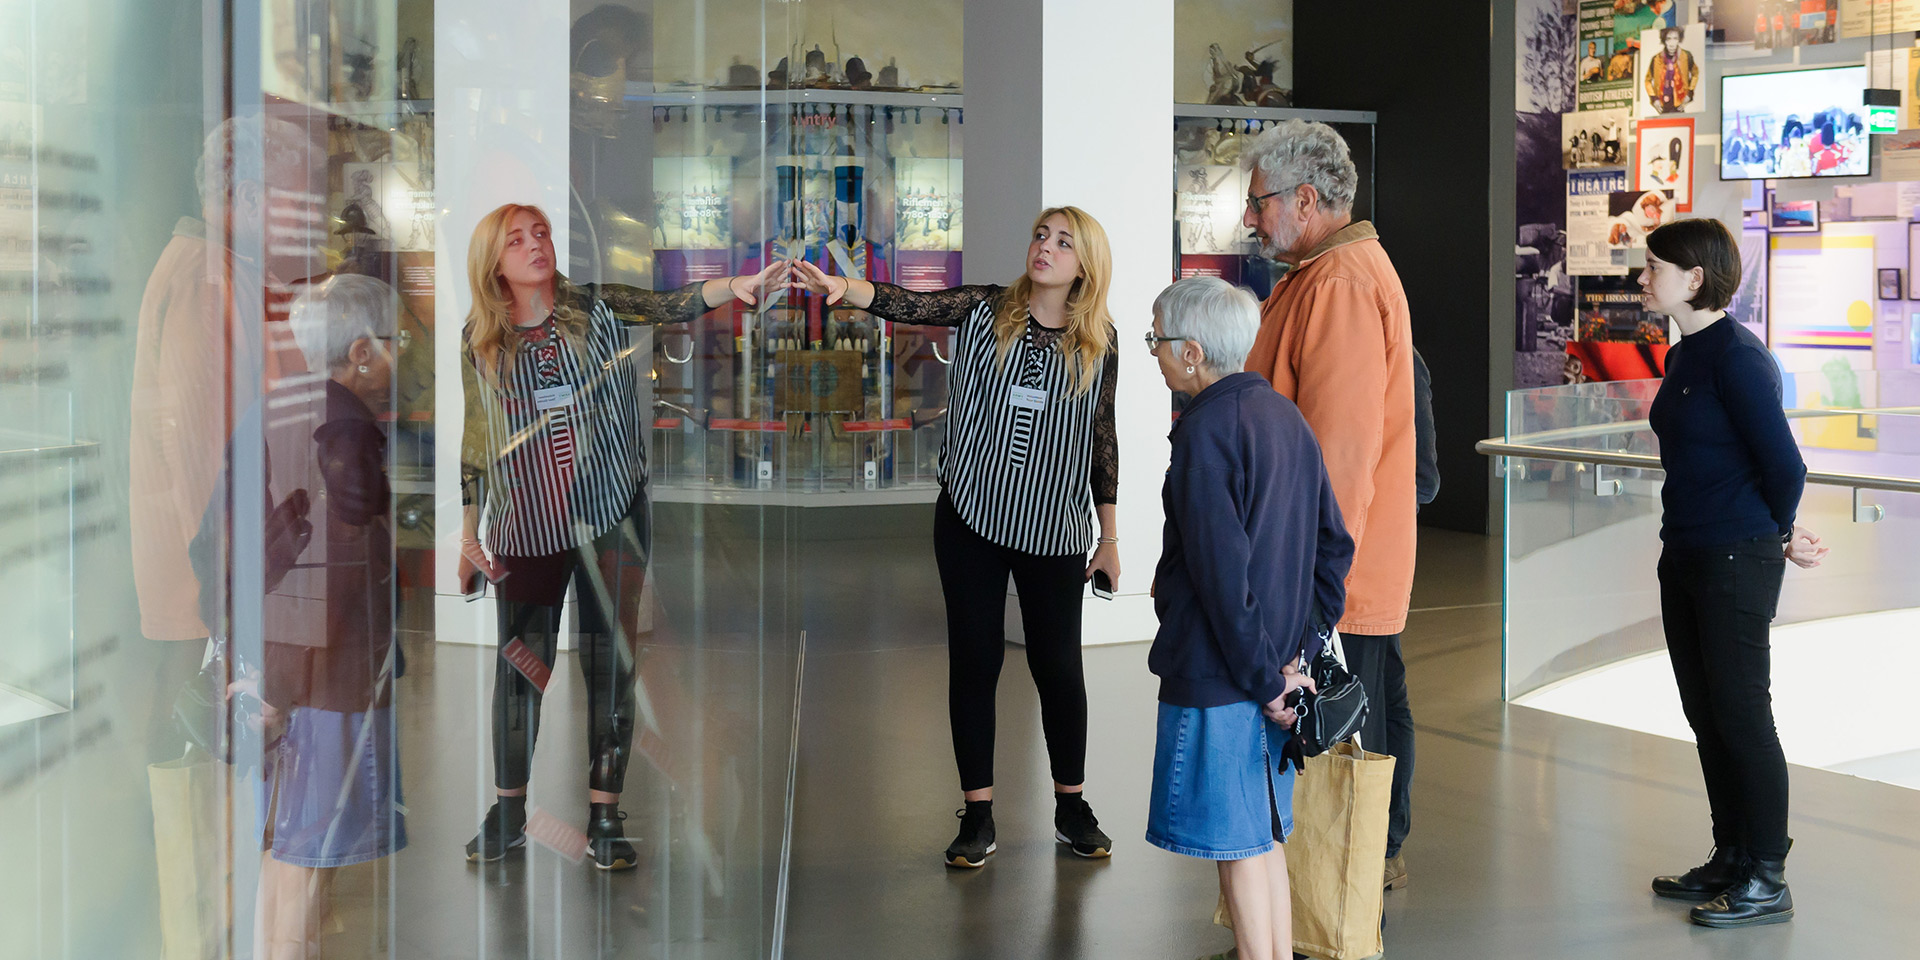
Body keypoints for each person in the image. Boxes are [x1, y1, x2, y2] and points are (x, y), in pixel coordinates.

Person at [792, 206, 1122, 869]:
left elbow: (1102, 439)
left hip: (1055, 526)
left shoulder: (1099, 343)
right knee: (976, 663)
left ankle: (1072, 805)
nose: (1044, 248)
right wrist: (847, 289)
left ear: (1085, 263)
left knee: (1059, 669)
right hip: (972, 515)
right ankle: (978, 814)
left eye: (1062, 242)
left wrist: (1109, 536)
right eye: (1039, 235)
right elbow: (910, 303)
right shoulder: (984, 309)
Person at [458, 203, 784, 869]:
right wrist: (468, 532)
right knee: (520, 671)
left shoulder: (594, 307)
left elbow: (670, 304)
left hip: (612, 514)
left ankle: (605, 815)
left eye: (541, 233)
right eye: (516, 240)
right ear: (494, 261)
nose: (534, 246)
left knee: (612, 665)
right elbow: (477, 437)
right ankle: (508, 810)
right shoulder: (482, 338)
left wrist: (734, 287)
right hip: (527, 524)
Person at [1143, 277, 1353, 960]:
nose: (1153, 353)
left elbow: (1219, 579)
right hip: (1275, 674)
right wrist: (1302, 653)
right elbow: (1334, 547)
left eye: (1158, 341)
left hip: (1225, 679)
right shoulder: (1285, 417)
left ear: (1193, 352)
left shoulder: (1204, 433)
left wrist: (1267, 680)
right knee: (1262, 837)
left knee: (1237, 848)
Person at [1238, 119, 1419, 892]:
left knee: (1340, 755)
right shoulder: (1324, 274)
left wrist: (1314, 591)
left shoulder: (1340, 283)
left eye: (1259, 202)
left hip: (1332, 576)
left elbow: (1338, 457)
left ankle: (1332, 923)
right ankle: (1327, 913)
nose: (1251, 218)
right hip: (1339, 571)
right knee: (1368, 726)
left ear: (1305, 200)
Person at [1641, 218, 1823, 928]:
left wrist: (1775, 533)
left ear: (1694, 278)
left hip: (1732, 559)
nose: (1643, 278)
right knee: (1705, 710)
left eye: (1653, 267)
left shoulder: (1738, 360)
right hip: (1684, 551)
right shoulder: (1685, 356)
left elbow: (1785, 465)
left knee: (1743, 713)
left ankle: (1767, 875)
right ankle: (1731, 856)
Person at [220, 275, 407, 960]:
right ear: (361, 352)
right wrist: (280, 684)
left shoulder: (274, 411)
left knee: (287, 849)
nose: (400, 357)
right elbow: (327, 572)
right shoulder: (344, 433)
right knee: (306, 853)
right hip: (320, 681)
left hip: (287, 673)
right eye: (394, 343)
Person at [1643, 26, 1699, 114]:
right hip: (1662, 104)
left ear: (1679, 40)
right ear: (1664, 40)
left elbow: (1695, 74)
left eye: (1675, 38)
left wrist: (1689, 93)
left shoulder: (1686, 56)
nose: (1672, 43)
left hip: (1679, 103)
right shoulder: (1656, 59)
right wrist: (1654, 99)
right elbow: (1647, 80)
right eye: (1668, 39)